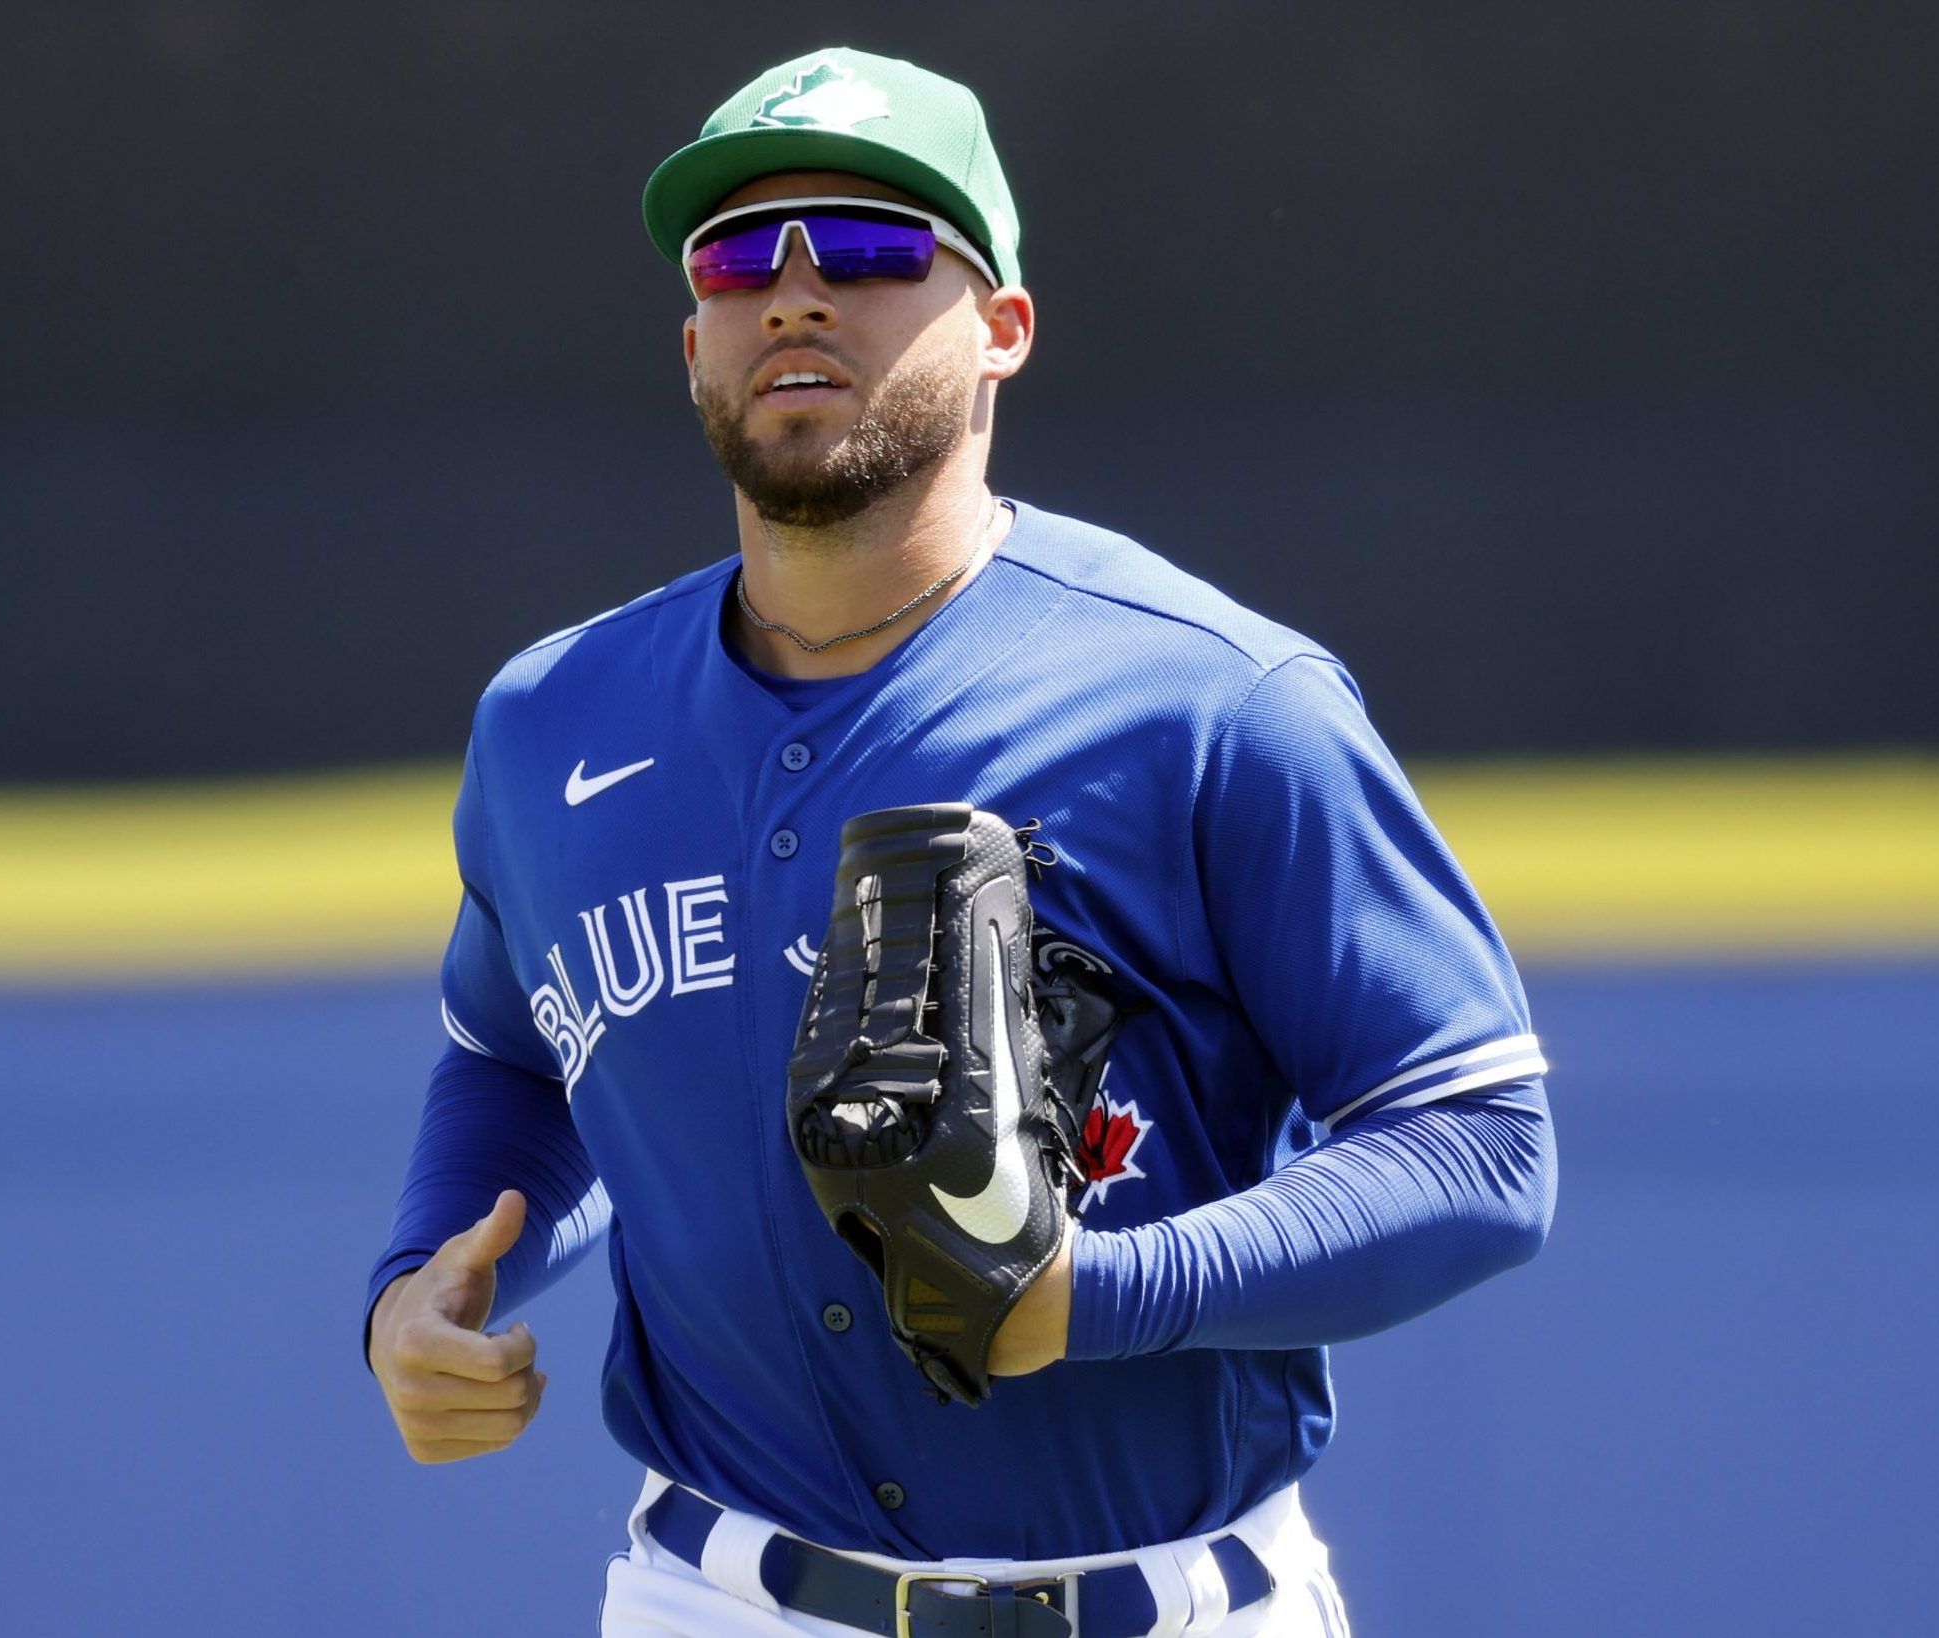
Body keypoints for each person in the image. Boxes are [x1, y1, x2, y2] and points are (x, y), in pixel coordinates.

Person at [364, 45, 1557, 1638]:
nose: (792, 295)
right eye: (736, 257)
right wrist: (421, 1285)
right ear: (692, 343)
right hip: (720, 1597)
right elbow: (517, 1058)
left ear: (1000, 328)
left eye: (862, 246)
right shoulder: (551, 722)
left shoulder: (1213, 701)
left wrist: (1098, 1296)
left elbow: (1479, 1145)